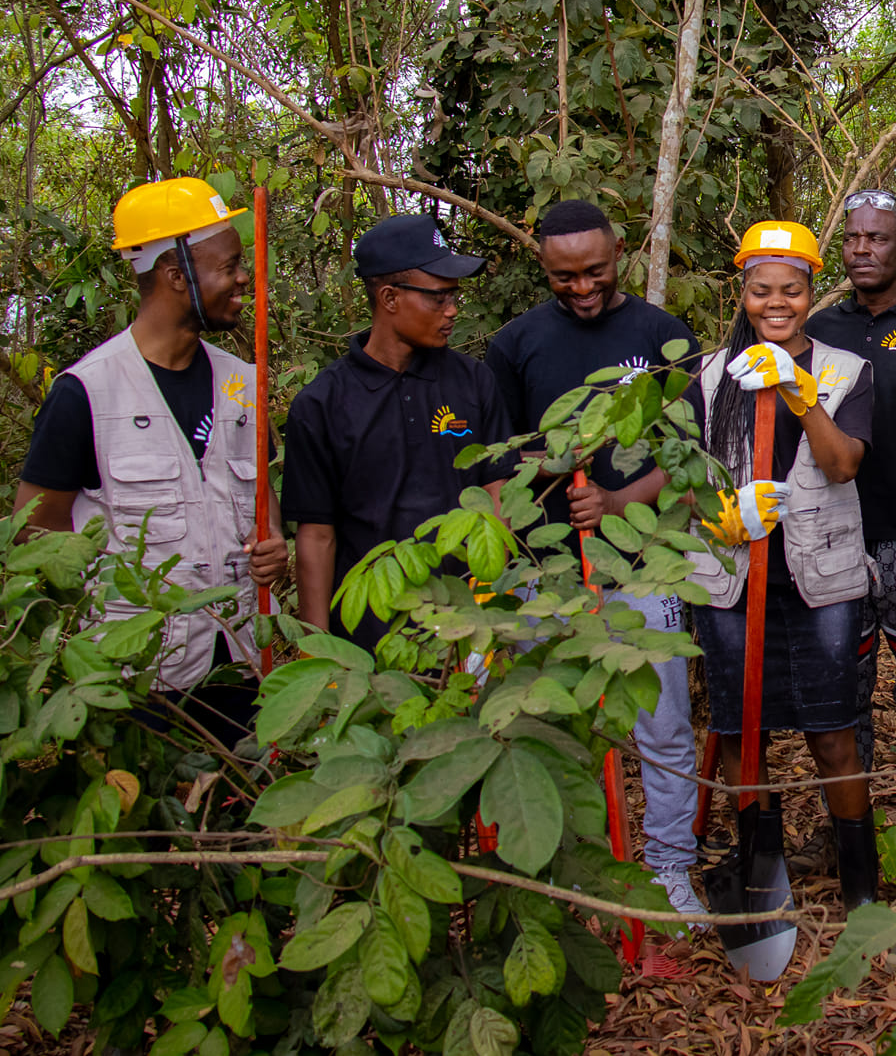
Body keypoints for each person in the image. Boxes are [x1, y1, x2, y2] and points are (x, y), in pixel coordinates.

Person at [484, 199, 708, 923]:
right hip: (545, 575)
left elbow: (687, 458)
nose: (581, 288)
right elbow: (498, 466)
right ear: (541, 266)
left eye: (595, 271)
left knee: (663, 722)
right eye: (563, 276)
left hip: (642, 564)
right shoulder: (514, 344)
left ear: (623, 253)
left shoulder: (662, 335)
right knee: (552, 726)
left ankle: (671, 870)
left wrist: (616, 503)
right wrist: (543, 479)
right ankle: (567, 871)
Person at [13, 178, 286, 736]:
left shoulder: (244, 386)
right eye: (229, 265)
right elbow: (34, 536)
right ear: (175, 275)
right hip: (134, 679)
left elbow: (262, 501)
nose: (243, 279)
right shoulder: (85, 393)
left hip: (237, 662)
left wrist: (272, 545)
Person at [688, 220, 880, 915]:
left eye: (792, 290)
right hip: (733, 578)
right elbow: (683, 476)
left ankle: (862, 891)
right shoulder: (710, 377)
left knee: (833, 733)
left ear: (809, 292)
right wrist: (720, 517)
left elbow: (843, 464)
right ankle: (760, 883)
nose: (778, 303)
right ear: (741, 292)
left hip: (818, 577)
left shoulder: (846, 370)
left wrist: (798, 389)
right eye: (762, 290)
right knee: (744, 732)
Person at [283, 214, 513, 655]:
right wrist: (319, 654)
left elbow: (496, 489)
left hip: (467, 623)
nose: (452, 310)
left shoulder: (474, 382)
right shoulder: (321, 405)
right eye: (438, 297)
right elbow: (316, 535)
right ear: (389, 298)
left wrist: (490, 600)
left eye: (454, 296)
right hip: (372, 634)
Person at [805, 188, 896, 833]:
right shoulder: (820, 328)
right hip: (835, 532)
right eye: (853, 238)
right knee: (845, 688)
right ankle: (852, 829)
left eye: (878, 238)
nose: (863, 249)